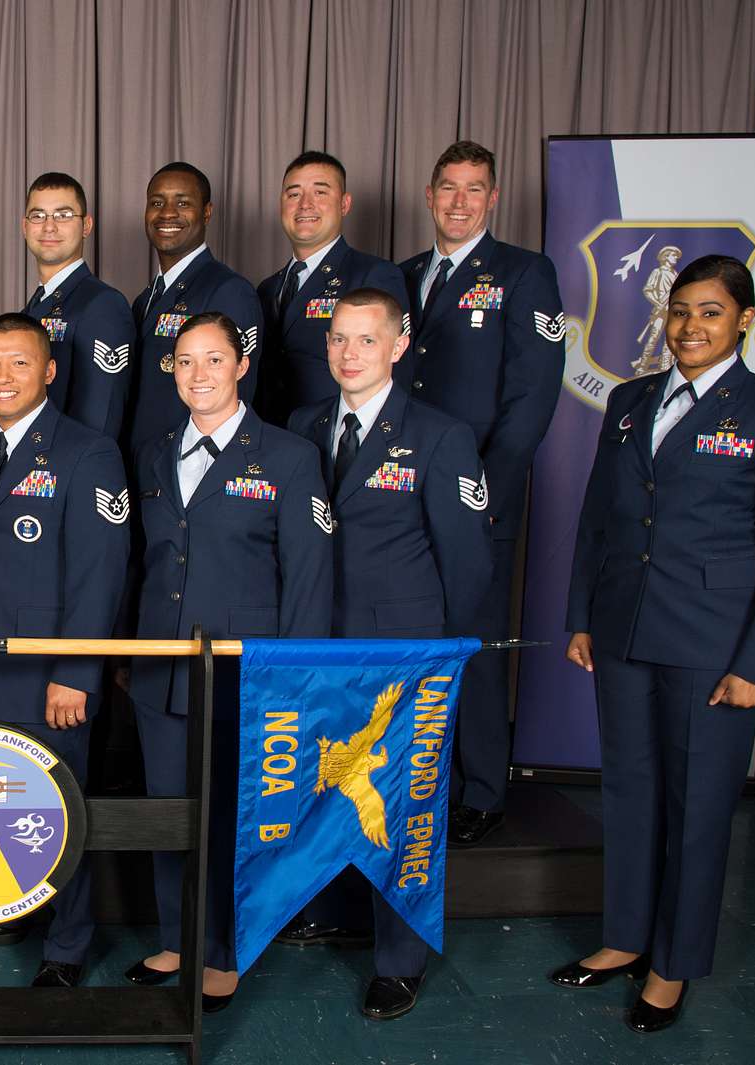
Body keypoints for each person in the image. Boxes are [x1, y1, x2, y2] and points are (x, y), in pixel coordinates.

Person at [558, 255, 755, 1032]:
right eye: (680, 311)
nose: (690, 326)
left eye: (710, 312)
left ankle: (673, 962)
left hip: (715, 646)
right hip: (624, 630)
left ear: (744, 319)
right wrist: (582, 614)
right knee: (630, 793)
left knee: (698, 805)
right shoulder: (634, 401)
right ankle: (625, 937)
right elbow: (599, 519)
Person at [285, 289, 492, 1020]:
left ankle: (400, 958)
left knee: (402, 809)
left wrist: (447, 657)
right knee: (330, 783)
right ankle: (337, 910)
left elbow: (467, 564)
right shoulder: (302, 425)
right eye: (338, 339)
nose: (348, 354)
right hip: (320, 645)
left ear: (399, 347)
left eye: (366, 341)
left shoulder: (440, 435)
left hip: (407, 657)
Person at [125, 312, 332, 1013]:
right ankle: (178, 938)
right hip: (160, 664)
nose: (199, 374)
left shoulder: (286, 454)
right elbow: (144, 564)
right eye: (185, 361)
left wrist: (295, 675)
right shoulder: (153, 454)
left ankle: (222, 950)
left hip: (245, 672)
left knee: (227, 815)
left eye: (213, 360)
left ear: (241, 366)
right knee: (167, 812)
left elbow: (307, 575)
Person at [0, 313, 129, 988]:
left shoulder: (87, 451)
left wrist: (76, 671)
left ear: (49, 371)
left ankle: (66, 945)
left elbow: (101, 573)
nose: (0, 377)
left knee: (55, 810)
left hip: (46, 674)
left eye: (16, 362)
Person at [395, 140, 564, 846]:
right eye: (448, 188)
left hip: (477, 497)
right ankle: (415, 780)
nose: (460, 201)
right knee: (411, 638)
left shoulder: (526, 273)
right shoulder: (401, 277)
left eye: (475, 189)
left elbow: (532, 395)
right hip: (401, 495)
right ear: (429, 195)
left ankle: (483, 788)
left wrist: (487, 494)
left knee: (478, 640)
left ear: (492, 199)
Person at [254, 151, 409, 425]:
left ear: (345, 204)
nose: (305, 205)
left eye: (320, 193)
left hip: (336, 441)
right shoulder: (267, 289)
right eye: (293, 194)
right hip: (269, 444)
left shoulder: (374, 275)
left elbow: (398, 374)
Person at [126, 162, 263, 455]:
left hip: (189, 466)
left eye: (183, 202)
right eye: (157, 202)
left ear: (207, 212)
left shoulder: (229, 291)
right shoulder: (145, 299)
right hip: (142, 461)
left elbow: (238, 397)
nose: (168, 213)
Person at [19, 171, 135, 438]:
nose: (49, 226)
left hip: (71, 473)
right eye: (38, 216)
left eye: (63, 215)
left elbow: (101, 420)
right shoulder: (37, 304)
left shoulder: (103, 305)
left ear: (86, 226)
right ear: (25, 227)